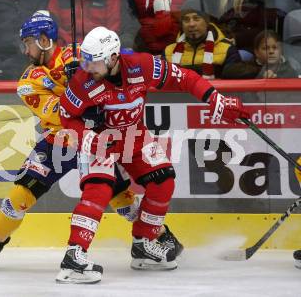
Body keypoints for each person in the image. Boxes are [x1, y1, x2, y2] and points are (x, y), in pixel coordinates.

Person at [0, 12, 182, 268]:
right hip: (59, 142)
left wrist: (84, 76)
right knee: (18, 195)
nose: (25, 50)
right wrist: (74, 88)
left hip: (96, 138)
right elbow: (59, 114)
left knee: (124, 202)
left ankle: (159, 235)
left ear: (44, 39)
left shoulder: (80, 54)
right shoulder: (28, 82)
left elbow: (116, 68)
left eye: (28, 43)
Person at [56, 26, 250, 284]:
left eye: (93, 61)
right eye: (85, 60)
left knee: (164, 180)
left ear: (113, 58)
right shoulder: (82, 81)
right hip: (100, 139)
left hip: (135, 136)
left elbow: (186, 78)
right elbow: (66, 116)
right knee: (98, 190)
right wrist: (88, 137)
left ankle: (144, 245)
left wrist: (215, 99)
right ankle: (74, 256)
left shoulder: (142, 65)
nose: (87, 67)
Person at [0, 0, 50, 79]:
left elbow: (43, 30)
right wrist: (12, 45)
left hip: (30, 53)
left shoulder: (38, 1)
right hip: (3, 55)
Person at [163, 7, 242, 79]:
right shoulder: (168, 51)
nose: (191, 24)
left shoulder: (227, 49)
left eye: (196, 19)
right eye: (186, 20)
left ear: (207, 23)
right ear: (182, 25)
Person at [233, 30, 299, 79]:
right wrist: (260, 73)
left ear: (281, 50)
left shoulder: (290, 69)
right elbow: (227, 71)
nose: (271, 51)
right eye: (265, 48)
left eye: (275, 48)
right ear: (257, 52)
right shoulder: (250, 67)